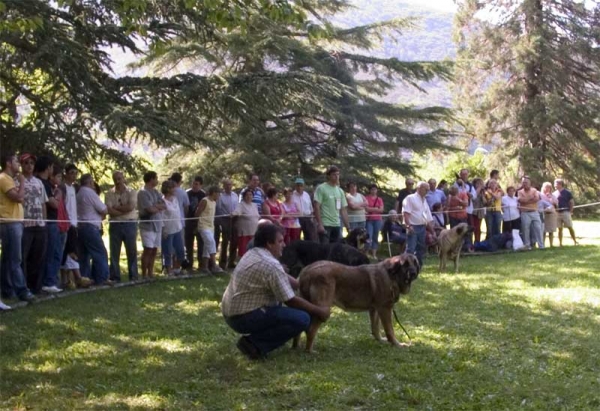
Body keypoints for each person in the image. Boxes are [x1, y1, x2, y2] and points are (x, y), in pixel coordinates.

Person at [221, 224, 330, 360]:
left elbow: (284, 278)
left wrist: (301, 283)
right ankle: (253, 344)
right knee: (302, 319)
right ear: (269, 244)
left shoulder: (253, 253)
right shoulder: (271, 265)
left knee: (278, 304)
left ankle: (264, 337)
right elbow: (290, 300)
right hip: (242, 318)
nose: (284, 245)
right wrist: (319, 311)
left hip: (230, 313)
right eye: (280, 241)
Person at [0, 153, 35, 304]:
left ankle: (7, 290)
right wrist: (22, 182)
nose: (18, 164)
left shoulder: (9, 179)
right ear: (8, 163)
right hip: (9, 222)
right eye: (15, 160)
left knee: (8, 259)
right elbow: (19, 198)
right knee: (15, 259)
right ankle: (22, 291)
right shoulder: (3, 179)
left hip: (16, 222)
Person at [18, 153, 48, 294]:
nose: (29, 166)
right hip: (25, 224)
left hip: (39, 224)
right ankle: (23, 287)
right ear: (21, 165)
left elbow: (43, 203)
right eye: (26, 163)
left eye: (31, 163)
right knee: (23, 257)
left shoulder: (39, 182)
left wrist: (45, 222)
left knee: (38, 257)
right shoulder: (17, 181)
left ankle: (36, 286)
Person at [35, 156, 63, 294]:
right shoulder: (43, 183)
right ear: (47, 167)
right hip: (49, 223)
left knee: (54, 252)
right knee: (52, 253)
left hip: (51, 222)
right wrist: (57, 195)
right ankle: (49, 281)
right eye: (51, 167)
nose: (52, 170)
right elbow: (53, 204)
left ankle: (50, 280)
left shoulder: (45, 183)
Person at [76, 174, 111, 285]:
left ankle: (85, 278)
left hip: (80, 226)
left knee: (84, 255)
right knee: (100, 252)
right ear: (90, 182)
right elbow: (104, 210)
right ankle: (102, 278)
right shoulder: (90, 193)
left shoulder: (79, 193)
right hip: (90, 226)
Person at [105, 171, 138, 282]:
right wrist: (122, 210)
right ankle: (114, 276)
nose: (118, 181)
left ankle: (133, 276)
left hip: (130, 224)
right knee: (114, 252)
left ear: (124, 179)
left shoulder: (132, 192)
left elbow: (131, 206)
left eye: (119, 178)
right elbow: (109, 210)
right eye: (115, 179)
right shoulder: (109, 194)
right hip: (115, 225)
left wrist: (116, 208)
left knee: (132, 251)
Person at [138, 171, 166, 278]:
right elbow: (149, 209)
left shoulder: (156, 192)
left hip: (157, 224)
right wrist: (155, 207)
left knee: (154, 249)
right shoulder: (142, 193)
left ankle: (151, 272)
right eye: (156, 178)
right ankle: (144, 274)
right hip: (148, 225)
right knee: (148, 249)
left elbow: (164, 205)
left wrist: (156, 206)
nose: (157, 180)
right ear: (151, 179)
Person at [314, 166, 350, 244]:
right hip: (325, 224)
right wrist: (320, 224)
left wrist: (348, 227)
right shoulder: (321, 188)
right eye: (334, 174)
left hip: (336, 225)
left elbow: (343, 210)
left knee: (335, 251)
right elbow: (317, 206)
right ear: (328, 176)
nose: (336, 177)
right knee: (325, 251)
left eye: (338, 174)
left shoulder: (340, 191)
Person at [402, 181, 434, 267]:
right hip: (413, 226)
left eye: (428, 189)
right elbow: (406, 213)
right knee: (411, 248)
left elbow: (428, 217)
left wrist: (432, 231)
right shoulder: (410, 198)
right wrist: (408, 226)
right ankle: (406, 266)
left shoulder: (424, 200)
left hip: (422, 227)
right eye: (425, 189)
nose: (427, 191)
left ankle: (418, 266)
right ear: (419, 188)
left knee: (420, 248)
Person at [195, 186, 224, 275]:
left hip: (211, 227)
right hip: (203, 226)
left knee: (207, 247)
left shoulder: (214, 202)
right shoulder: (205, 200)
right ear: (214, 193)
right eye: (218, 193)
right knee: (211, 242)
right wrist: (196, 225)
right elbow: (197, 213)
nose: (219, 196)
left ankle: (205, 267)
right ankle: (214, 265)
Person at [160, 180, 184, 276]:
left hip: (177, 228)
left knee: (180, 250)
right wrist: (163, 229)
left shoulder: (175, 199)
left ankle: (177, 268)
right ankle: (168, 270)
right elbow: (161, 216)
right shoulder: (162, 201)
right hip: (168, 230)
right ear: (168, 189)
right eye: (173, 187)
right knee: (168, 251)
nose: (175, 189)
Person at [214, 178, 238, 270]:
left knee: (234, 241)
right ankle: (222, 263)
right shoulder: (220, 196)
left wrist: (235, 214)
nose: (229, 186)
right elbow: (219, 209)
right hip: (225, 219)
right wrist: (221, 221)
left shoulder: (235, 195)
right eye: (227, 185)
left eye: (230, 184)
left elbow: (237, 207)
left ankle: (231, 261)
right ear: (223, 186)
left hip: (234, 219)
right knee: (225, 242)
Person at [184, 176, 205, 270]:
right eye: (193, 183)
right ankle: (189, 263)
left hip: (200, 222)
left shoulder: (203, 194)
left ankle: (201, 264)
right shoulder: (187, 193)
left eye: (196, 184)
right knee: (188, 244)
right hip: (188, 221)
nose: (194, 185)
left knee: (201, 244)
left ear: (200, 185)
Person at [169, 172, 189, 270]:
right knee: (179, 245)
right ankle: (176, 267)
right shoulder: (182, 192)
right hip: (180, 221)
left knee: (170, 245)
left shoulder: (166, 192)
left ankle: (170, 267)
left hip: (169, 222)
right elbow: (186, 207)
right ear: (179, 181)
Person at [232, 189, 260, 257]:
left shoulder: (254, 205)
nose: (249, 196)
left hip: (254, 232)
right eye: (247, 195)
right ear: (244, 196)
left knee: (253, 250)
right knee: (243, 250)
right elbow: (237, 211)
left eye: (250, 195)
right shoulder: (241, 205)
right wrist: (233, 214)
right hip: (244, 232)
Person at [517, 176, 542, 250]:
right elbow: (521, 201)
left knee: (538, 228)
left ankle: (541, 245)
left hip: (534, 212)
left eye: (526, 182)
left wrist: (526, 200)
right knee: (525, 229)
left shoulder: (534, 190)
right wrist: (530, 198)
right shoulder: (520, 192)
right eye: (523, 182)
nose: (525, 184)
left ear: (529, 183)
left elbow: (536, 199)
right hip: (525, 213)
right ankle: (527, 245)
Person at [553, 179, 577, 246]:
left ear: (560, 184)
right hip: (558, 213)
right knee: (559, 229)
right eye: (554, 184)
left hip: (566, 212)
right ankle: (560, 243)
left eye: (556, 184)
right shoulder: (554, 194)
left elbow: (571, 202)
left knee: (570, 227)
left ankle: (575, 241)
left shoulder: (567, 192)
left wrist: (571, 211)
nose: (555, 185)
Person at [291, 177, 316, 241]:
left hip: (307, 218)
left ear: (303, 186)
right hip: (296, 219)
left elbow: (310, 206)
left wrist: (311, 216)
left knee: (310, 237)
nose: (299, 187)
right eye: (298, 185)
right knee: (296, 238)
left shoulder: (306, 195)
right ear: (295, 186)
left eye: (301, 185)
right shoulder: (292, 195)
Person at [365, 184, 384, 259]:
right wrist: (376, 209)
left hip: (378, 220)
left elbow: (381, 210)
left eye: (375, 189)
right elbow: (366, 209)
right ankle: (366, 252)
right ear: (370, 190)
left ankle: (374, 254)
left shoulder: (379, 199)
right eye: (372, 189)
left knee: (375, 237)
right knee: (368, 236)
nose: (373, 191)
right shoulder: (366, 198)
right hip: (369, 220)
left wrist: (372, 209)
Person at [540, 182, 558, 247]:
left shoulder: (553, 196)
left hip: (551, 214)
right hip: (543, 213)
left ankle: (551, 244)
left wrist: (550, 198)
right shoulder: (540, 195)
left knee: (551, 230)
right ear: (543, 188)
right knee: (543, 230)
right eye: (546, 187)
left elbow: (556, 204)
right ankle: (542, 244)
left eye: (549, 187)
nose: (547, 189)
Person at [470, 178, 486, 243]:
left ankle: (477, 242)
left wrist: (482, 195)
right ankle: (471, 242)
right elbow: (473, 199)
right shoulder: (473, 191)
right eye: (478, 183)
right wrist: (478, 189)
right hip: (473, 212)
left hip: (480, 212)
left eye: (481, 183)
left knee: (478, 228)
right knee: (473, 228)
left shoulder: (483, 192)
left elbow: (485, 202)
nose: (480, 185)